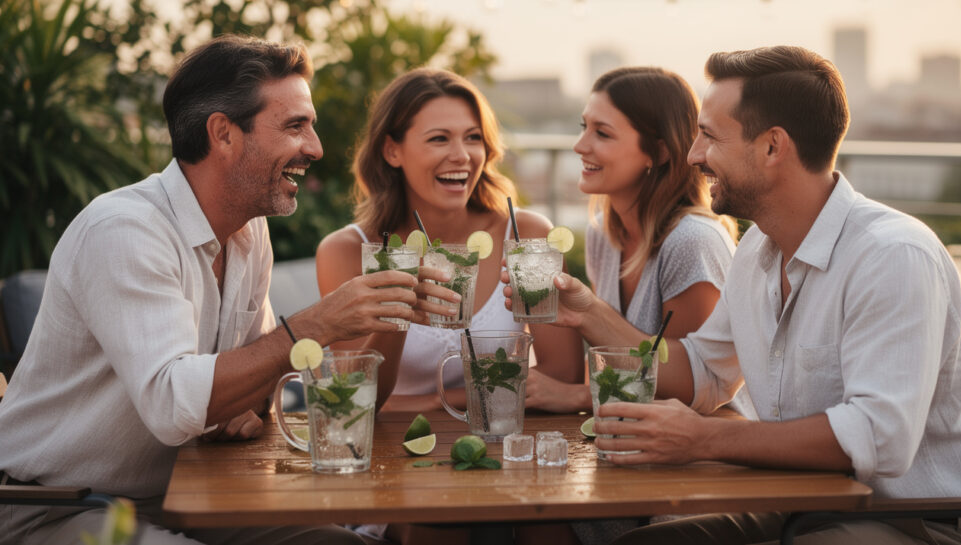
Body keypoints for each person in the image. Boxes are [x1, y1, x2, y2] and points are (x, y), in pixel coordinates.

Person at [517, 46, 961, 545]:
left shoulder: (891, 256)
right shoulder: (758, 247)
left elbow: (879, 437)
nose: (693, 155)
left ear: (773, 147)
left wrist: (704, 438)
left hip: (927, 521)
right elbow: (705, 372)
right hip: (811, 502)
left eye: (709, 136)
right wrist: (588, 311)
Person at [0, 36, 419, 545]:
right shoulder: (125, 230)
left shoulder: (249, 231)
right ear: (223, 134)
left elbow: (259, 377)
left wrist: (249, 403)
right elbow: (173, 402)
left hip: (187, 490)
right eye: (295, 126)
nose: (315, 147)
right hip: (57, 505)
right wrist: (318, 322)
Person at [315, 68, 582, 544]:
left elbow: (560, 381)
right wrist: (400, 312)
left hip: (507, 451)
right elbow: (356, 403)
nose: (462, 155)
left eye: (473, 138)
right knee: (436, 520)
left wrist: (425, 403)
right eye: (439, 138)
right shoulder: (348, 251)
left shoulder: (527, 235)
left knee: (547, 517)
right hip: (400, 460)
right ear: (392, 150)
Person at [523, 66, 738, 415]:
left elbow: (697, 391)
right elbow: (610, 365)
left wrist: (578, 397)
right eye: (583, 127)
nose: (580, 145)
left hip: (714, 440)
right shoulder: (602, 235)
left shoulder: (692, 242)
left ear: (659, 151)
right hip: (629, 431)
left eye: (602, 133)